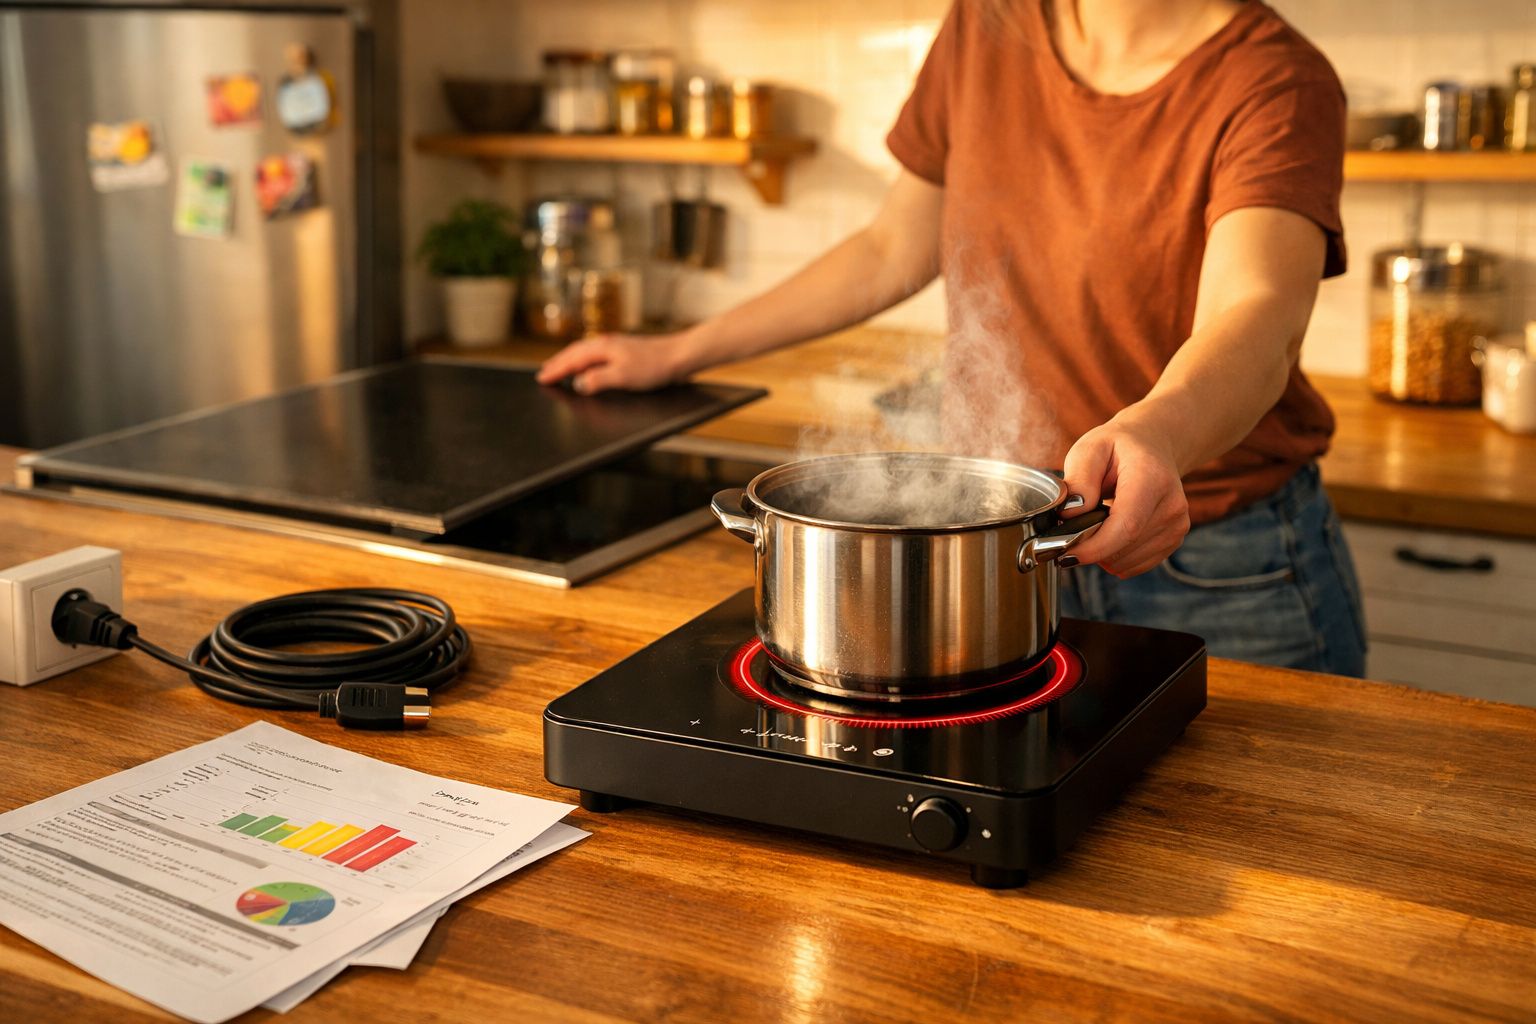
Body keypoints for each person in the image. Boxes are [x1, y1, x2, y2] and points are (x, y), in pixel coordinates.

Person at [538, 0, 1367, 677]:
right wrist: (679, 350)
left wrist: (1156, 432)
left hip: (1224, 567)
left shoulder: (1277, 80)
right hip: (1008, 556)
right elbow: (891, 245)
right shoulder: (988, 23)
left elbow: (1256, 315)